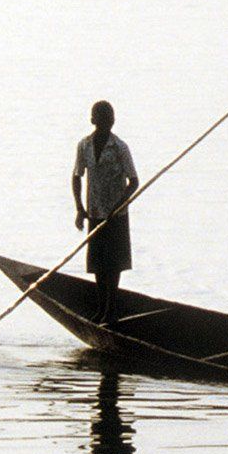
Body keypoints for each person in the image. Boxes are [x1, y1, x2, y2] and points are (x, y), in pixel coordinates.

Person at [71, 100, 138, 325]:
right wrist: (79, 208)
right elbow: (77, 176)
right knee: (98, 265)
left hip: (116, 216)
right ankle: (101, 309)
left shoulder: (119, 147)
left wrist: (118, 206)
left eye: (110, 119)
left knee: (114, 265)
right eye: (103, 119)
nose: (109, 122)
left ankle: (110, 311)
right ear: (93, 120)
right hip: (95, 212)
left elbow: (133, 181)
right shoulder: (84, 145)